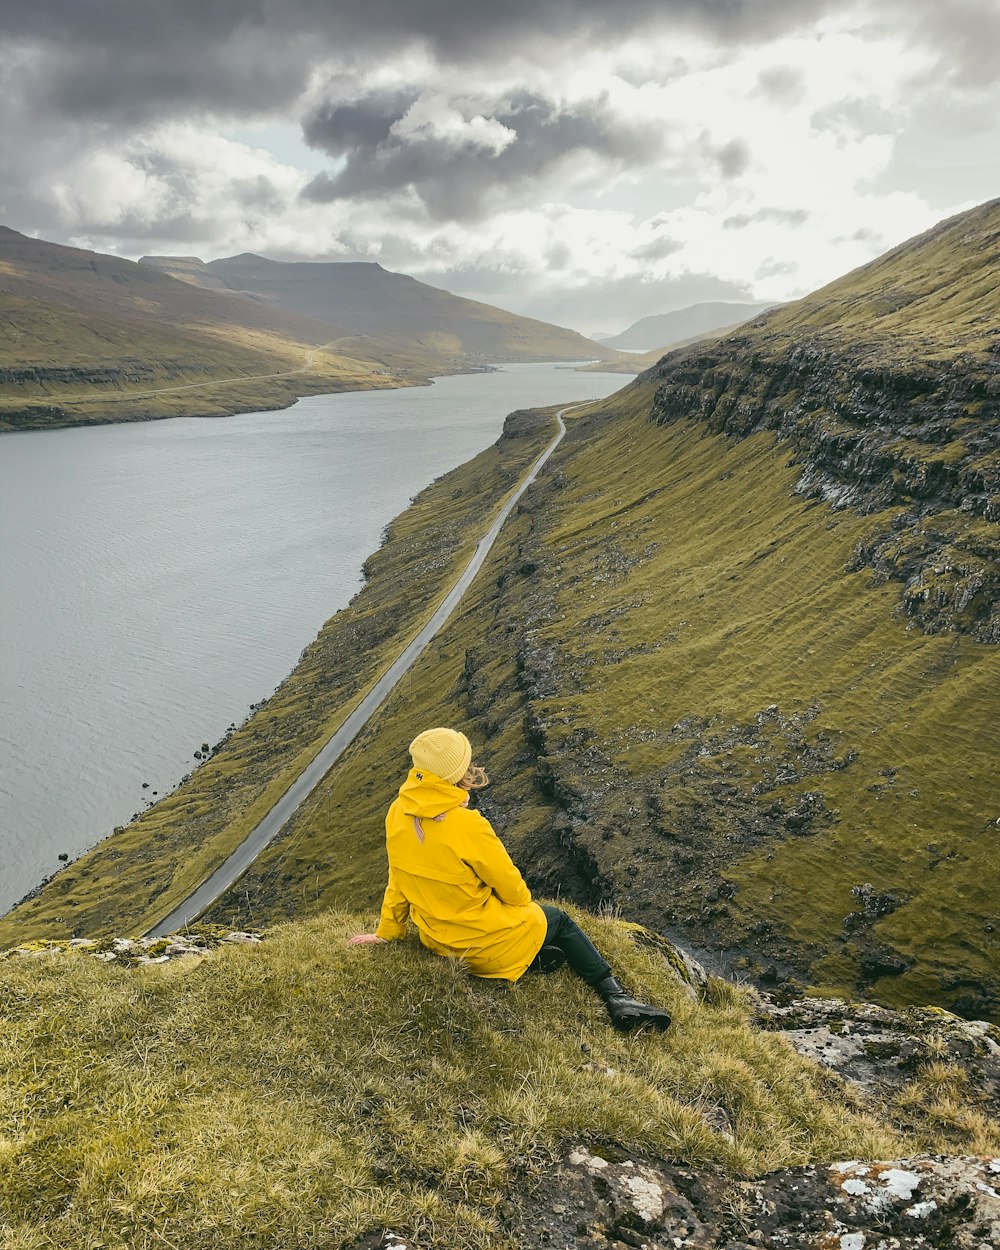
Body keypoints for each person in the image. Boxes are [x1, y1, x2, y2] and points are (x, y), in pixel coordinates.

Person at [349, 727, 671, 1033]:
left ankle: (535, 959)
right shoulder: (467, 825)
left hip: (439, 944)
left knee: (519, 925)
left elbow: (398, 880)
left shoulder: (397, 813)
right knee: (557, 919)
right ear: (455, 775)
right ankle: (616, 996)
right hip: (482, 950)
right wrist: (514, 908)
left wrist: (387, 933)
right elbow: (515, 892)